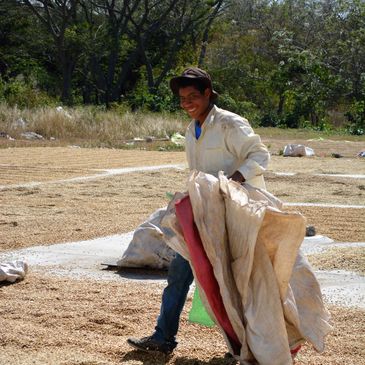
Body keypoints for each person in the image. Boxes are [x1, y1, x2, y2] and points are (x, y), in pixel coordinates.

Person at [127, 67, 270, 355]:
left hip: (234, 214)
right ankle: (163, 337)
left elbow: (260, 154)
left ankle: (243, 347)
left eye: (193, 96)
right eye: (182, 98)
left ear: (208, 94)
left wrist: (232, 182)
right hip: (202, 214)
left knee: (234, 283)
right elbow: (197, 172)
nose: (187, 103)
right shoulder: (191, 131)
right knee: (178, 274)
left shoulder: (230, 123)